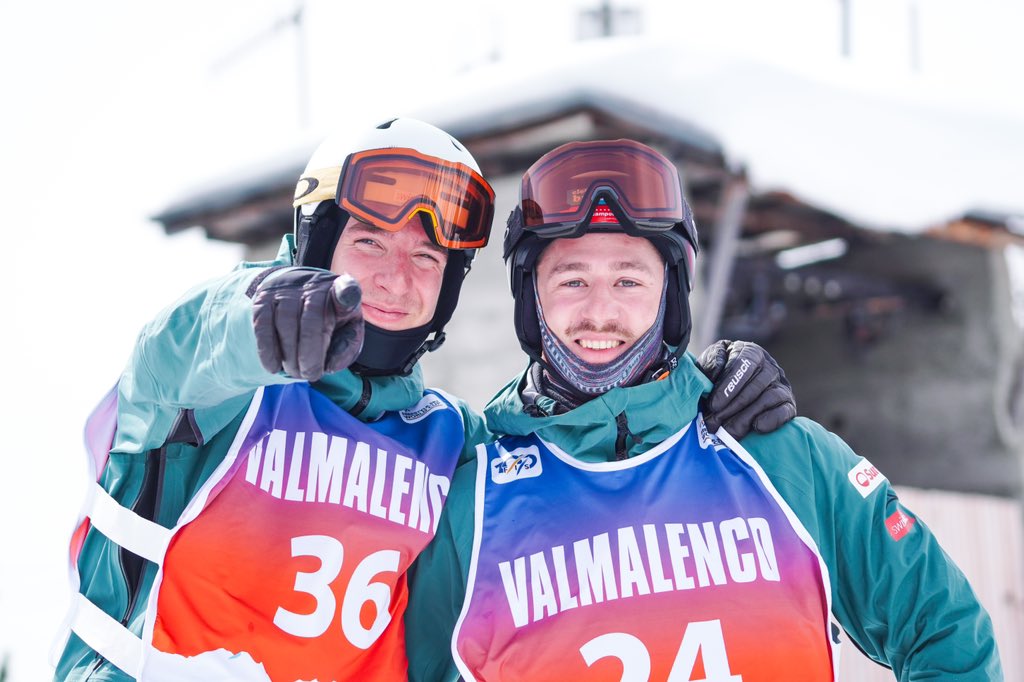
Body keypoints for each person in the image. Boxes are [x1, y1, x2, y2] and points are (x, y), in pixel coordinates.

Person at [52, 119, 795, 681]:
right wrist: (254, 312)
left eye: (427, 257)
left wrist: (700, 388)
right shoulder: (214, 395)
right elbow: (177, 349)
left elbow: (583, 454)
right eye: (370, 243)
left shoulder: (454, 442)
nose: (397, 279)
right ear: (316, 246)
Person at [404, 139, 1002, 681]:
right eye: (572, 281)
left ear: (671, 295)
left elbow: (943, 627)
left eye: (630, 280)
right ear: (531, 298)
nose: (600, 313)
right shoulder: (474, 505)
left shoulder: (782, 455)